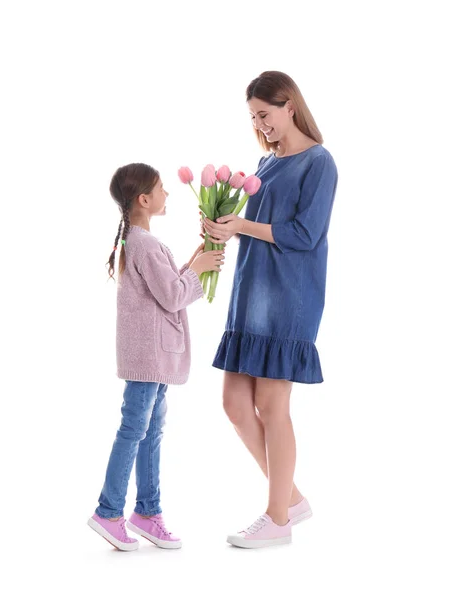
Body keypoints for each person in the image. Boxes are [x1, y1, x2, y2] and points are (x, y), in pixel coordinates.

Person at [204, 71, 338, 549]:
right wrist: (227, 228)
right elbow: (259, 225)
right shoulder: (266, 161)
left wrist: (244, 223)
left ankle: (277, 518)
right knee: (235, 404)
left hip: (288, 296)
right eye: (254, 117)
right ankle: (292, 499)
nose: (261, 125)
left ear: (290, 107)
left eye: (265, 115)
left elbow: (305, 234)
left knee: (272, 405)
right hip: (250, 291)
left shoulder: (319, 162)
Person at [88, 163, 225, 551]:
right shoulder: (145, 244)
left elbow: (162, 289)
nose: (168, 195)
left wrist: (192, 263)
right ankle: (109, 511)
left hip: (151, 354)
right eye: (162, 190)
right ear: (144, 200)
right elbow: (173, 296)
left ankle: (147, 512)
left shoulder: (139, 241)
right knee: (135, 429)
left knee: (148, 430)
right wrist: (195, 273)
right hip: (148, 354)